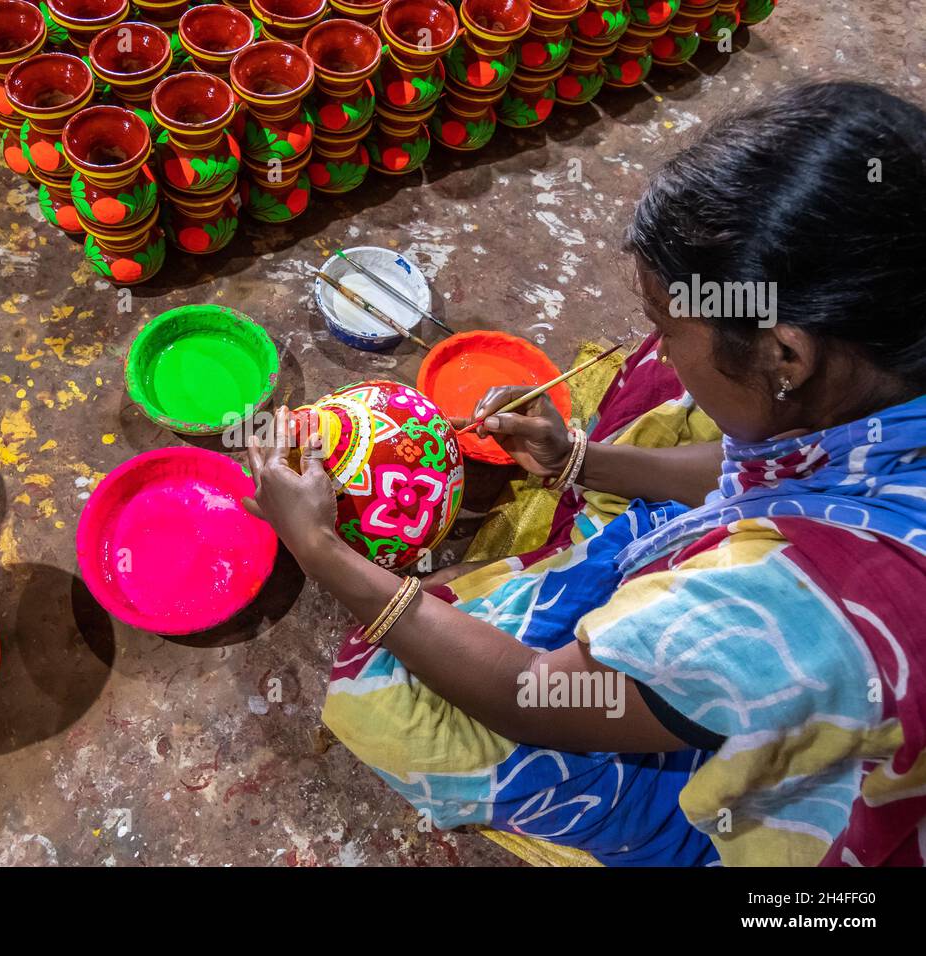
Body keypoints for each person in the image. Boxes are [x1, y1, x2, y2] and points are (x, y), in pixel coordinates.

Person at [242, 81, 926, 866]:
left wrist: (322, 550)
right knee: (666, 392)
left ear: (787, 357)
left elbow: (539, 694)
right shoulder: (876, 380)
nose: (658, 344)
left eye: (668, 325)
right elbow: (772, 465)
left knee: (389, 701)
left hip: (822, 791)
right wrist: (577, 460)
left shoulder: (784, 608)